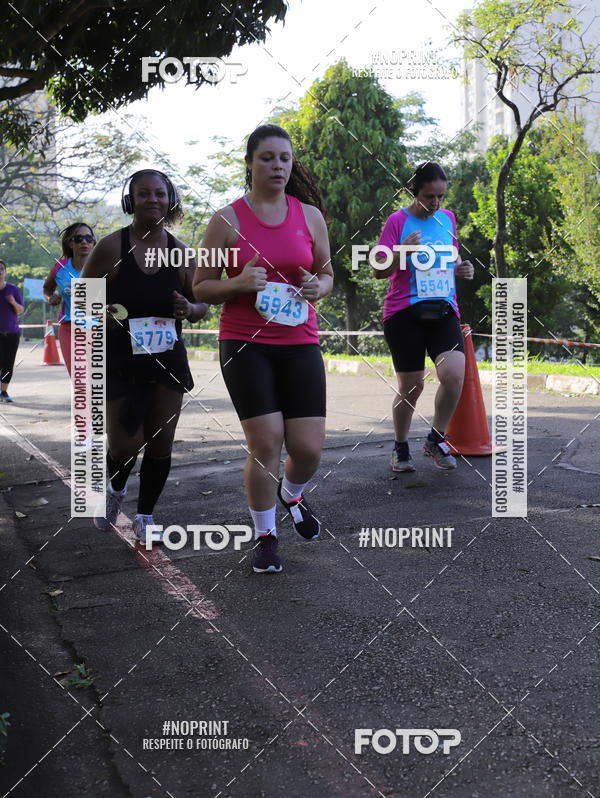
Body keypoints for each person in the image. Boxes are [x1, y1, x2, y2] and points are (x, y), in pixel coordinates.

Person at [193, 124, 333, 574]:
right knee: (266, 440)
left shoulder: (309, 215)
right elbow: (200, 286)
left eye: (285, 159)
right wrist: (236, 283)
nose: (277, 166)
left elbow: (328, 274)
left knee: (308, 448)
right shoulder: (227, 220)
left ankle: (291, 492)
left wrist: (318, 286)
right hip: (244, 343)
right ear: (250, 163)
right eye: (268, 157)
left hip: (300, 342)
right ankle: (266, 535)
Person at [81, 169, 207, 543]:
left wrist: (190, 308)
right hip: (119, 359)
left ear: (170, 201)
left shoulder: (182, 252)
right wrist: (101, 312)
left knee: (160, 442)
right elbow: (83, 297)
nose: (153, 200)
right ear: (130, 201)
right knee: (124, 444)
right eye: (143, 194)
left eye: (160, 194)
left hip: (166, 359)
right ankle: (115, 490)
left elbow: (203, 305)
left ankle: (146, 515)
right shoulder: (111, 247)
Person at [373, 161, 474, 472]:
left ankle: (436, 438)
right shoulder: (397, 221)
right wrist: (402, 249)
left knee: (455, 374)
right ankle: (401, 446)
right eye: (429, 196)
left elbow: (450, 258)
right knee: (412, 386)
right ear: (413, 192)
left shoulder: (448, 220)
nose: (436, 203)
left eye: (441, 196)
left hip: (443, 309)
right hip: (404, 312)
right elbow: (378, 269)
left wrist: (462, 268)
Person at [43, 223, 96, 376]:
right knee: (80, 377)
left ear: (93, 242)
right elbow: (47, 288)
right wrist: (50, 298)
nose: (85, 242)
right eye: (79, 238)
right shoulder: (60, 267)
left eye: (89, 238)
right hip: (70, 327)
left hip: (98, 327)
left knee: (98, 378)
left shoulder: (102, 265)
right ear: (71, 243)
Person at [0, 259, 24, 403]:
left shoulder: (13, 289)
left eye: (2, 269)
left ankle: (4, 392)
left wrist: (13, 302)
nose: (0, 272)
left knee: (8, 363)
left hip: (12, 333)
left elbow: (20, 310)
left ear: (5, 271)